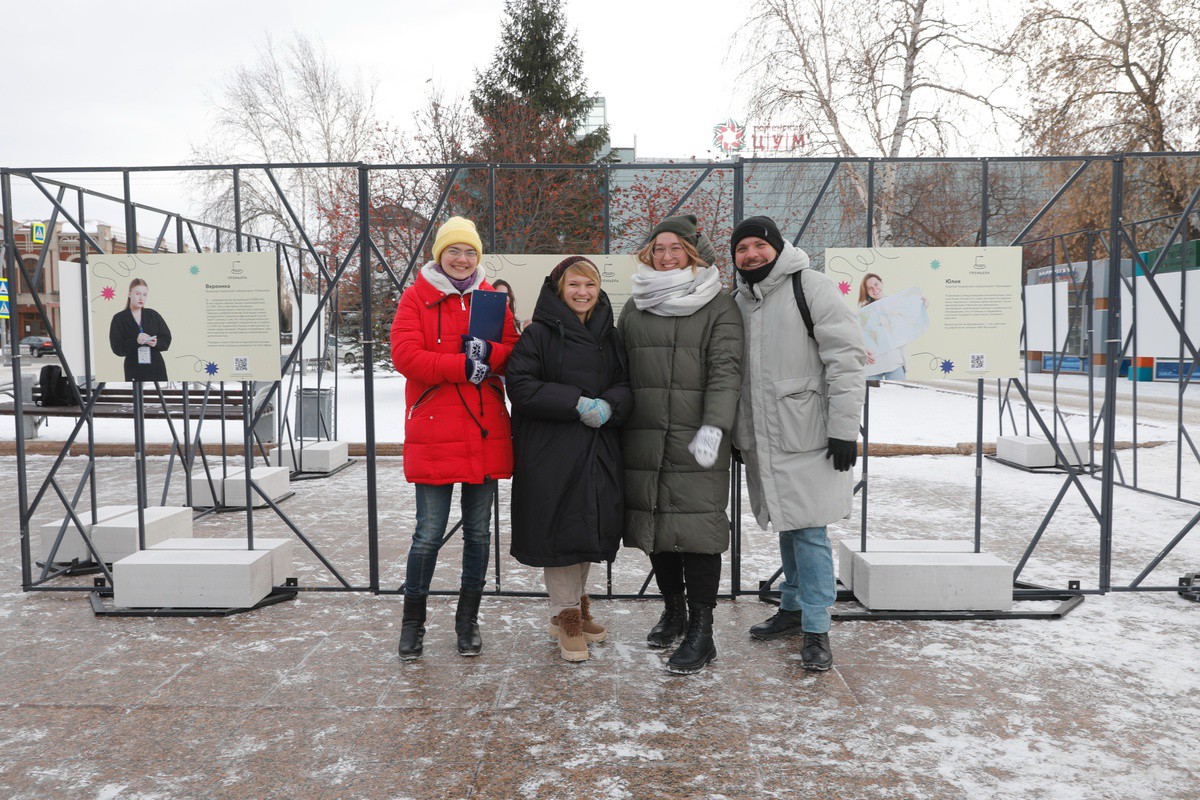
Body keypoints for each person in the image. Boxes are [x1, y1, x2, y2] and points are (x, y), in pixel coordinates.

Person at [731, 216, 865, 672]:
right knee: (789, 525)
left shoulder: (812, 287)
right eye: (742, 248)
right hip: (766, 437)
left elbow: (846, 360)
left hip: (809, 434)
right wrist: (738, 432)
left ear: (777, 246)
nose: (751, 254)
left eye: (758, 245)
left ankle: (816, 628)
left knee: (809, 532)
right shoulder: (741, 300)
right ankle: (791, 608)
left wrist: (845, 429)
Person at [389, 216, 520, 661]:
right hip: (434, 430)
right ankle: (413, 625)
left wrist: (490, 354)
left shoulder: (491, 300)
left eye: (470, 252)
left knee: (480, 534)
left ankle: (468, 622)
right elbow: (406, 356)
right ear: (439, 255)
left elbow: (514, 352)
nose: (462, 259)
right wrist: (462, 365)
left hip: (483, 430)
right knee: (428, 534)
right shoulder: (416, 298)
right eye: (453, 251)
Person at [619, 214, 744, 675]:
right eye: (658, 248)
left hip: (697, 440)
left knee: (698, 533)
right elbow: (619, 368)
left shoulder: (719, 305)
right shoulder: (635, 307)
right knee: (657, 527)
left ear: (692, 252)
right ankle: (673, 610)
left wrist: (715, 426)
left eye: (675, 248)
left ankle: (702, 630)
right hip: (645, 434)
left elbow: (727, 370)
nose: (665, 255)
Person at [506, 256, 631, 662]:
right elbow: (521, 385)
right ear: (560, 288)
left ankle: (575, 606)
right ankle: (567, 616)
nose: (582, 293)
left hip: (597, 445)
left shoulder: (609, 335)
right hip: (551, 449)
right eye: (575, 285)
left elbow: (625, 383)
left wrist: (610, 405)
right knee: (560, 531)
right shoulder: (538, 334)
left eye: (590, 285)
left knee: (586, 528)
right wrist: (574, 402)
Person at [109, 278, 171, 382]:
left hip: (156, 367)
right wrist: (135, 341)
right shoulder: (119, 318)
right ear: (129, 294)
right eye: (137, 293)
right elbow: (117, 348)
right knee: (137, 396)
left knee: (159, 397)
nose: (141, 298)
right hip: (134, 368)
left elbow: (166, 339)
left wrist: (156, 343)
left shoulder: (153, 315)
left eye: (145, 294)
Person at [858, 272, 906, 381]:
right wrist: (862, 349)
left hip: (894, 360)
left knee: (898, 395)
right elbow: (858, 335)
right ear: (866, 291)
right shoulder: (864, 313)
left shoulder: (895, 303)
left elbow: (908, 320)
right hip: (873, 362)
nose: (874, 289)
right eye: (869, 288)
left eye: (876, 284)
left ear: (882, 283)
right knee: (870, 397)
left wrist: (923, 305)